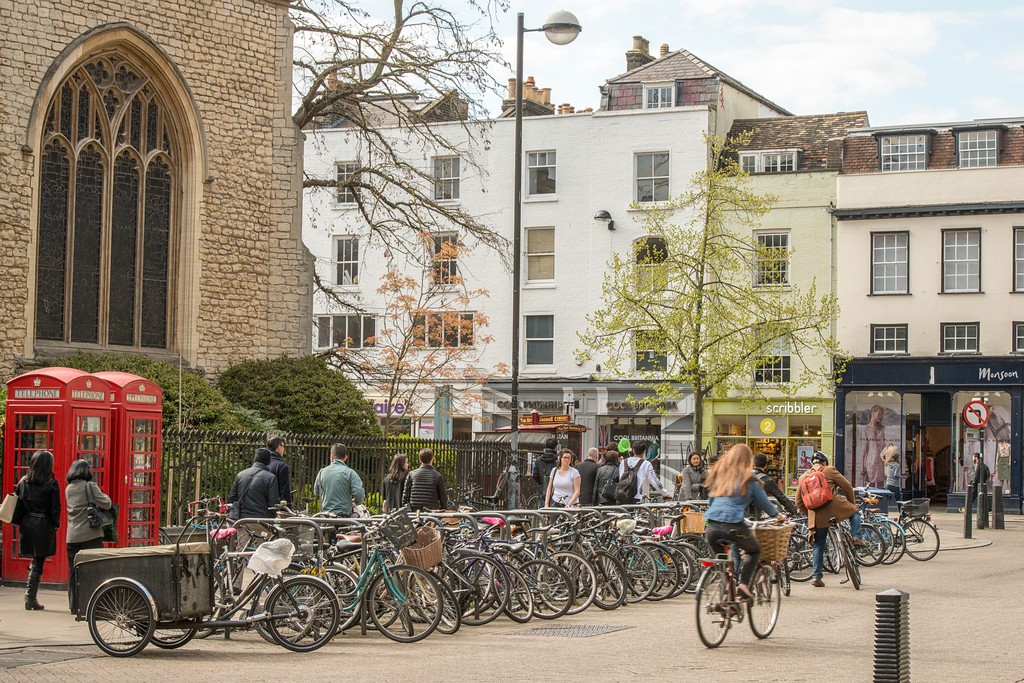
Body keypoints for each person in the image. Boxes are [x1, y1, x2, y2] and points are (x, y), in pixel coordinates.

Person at [703, 444, 786, 599]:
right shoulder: (750, 481)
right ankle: (743, 585)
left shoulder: (719, 478)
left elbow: (711, 500)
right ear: (749, 461)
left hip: (712, 526)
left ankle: (728, 589)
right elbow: (765, 504)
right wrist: (778, 516)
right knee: (754, 551)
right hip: (733, 524)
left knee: (721, 561)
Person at [796, 451, 865, 588]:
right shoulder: (829, 470)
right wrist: (851, 505)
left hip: (817, 515)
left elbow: (798, 501)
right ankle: (856, 536)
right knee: (855, 513)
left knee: (819, 544)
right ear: (824, 462)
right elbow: (847, 488)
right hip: (835, 506)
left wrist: (810, 514)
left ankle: (817, 577)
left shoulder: (803, 476)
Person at [15, 450, 60, 610]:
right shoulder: (51, 483)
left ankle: (30, 598)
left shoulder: (23, 482)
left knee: (35, 560)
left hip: (27, 524)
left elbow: (16, 503)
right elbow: (55, 509)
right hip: (43, 524)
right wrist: (56, 524)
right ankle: (30, 598)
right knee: (38, 562)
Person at [65, 459, 112, 612]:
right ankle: (96, 605)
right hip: (90, 536)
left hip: (72, 537)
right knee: (96, 570)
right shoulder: (90, 486)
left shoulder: (68, 488)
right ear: (86, 471)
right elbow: (107, 504)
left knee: (74, 572)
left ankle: (74, 606)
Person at [229, 448, 282, 520]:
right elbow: (273, 504)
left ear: (255, 459)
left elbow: (232, 497)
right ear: (268, 461)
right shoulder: (271, 478)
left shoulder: (240, 475)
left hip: (241, 520)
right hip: (261, 520)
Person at [314, 443, 365, 516]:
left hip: (326, 516)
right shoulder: (350, 473)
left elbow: (317, 492)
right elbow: (359, 494)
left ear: (331, 457)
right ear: (345, 458)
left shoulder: (321, 472)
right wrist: (356, 502)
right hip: (344, 517)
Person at [262, 435, 292, 507]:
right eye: (283, 446)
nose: (284, 448)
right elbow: (284, 492)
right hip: (275, 507)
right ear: (279, 447)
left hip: (260, 505)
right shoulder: (282, 466)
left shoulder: (262, 464)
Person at [531, 437, 559, 508]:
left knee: (542, 510)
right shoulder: (558, 460)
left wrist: (541, 482)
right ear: (555, 447)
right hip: (556, 488)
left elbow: (535, 475)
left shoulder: (539, 460)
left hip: (543, 487)